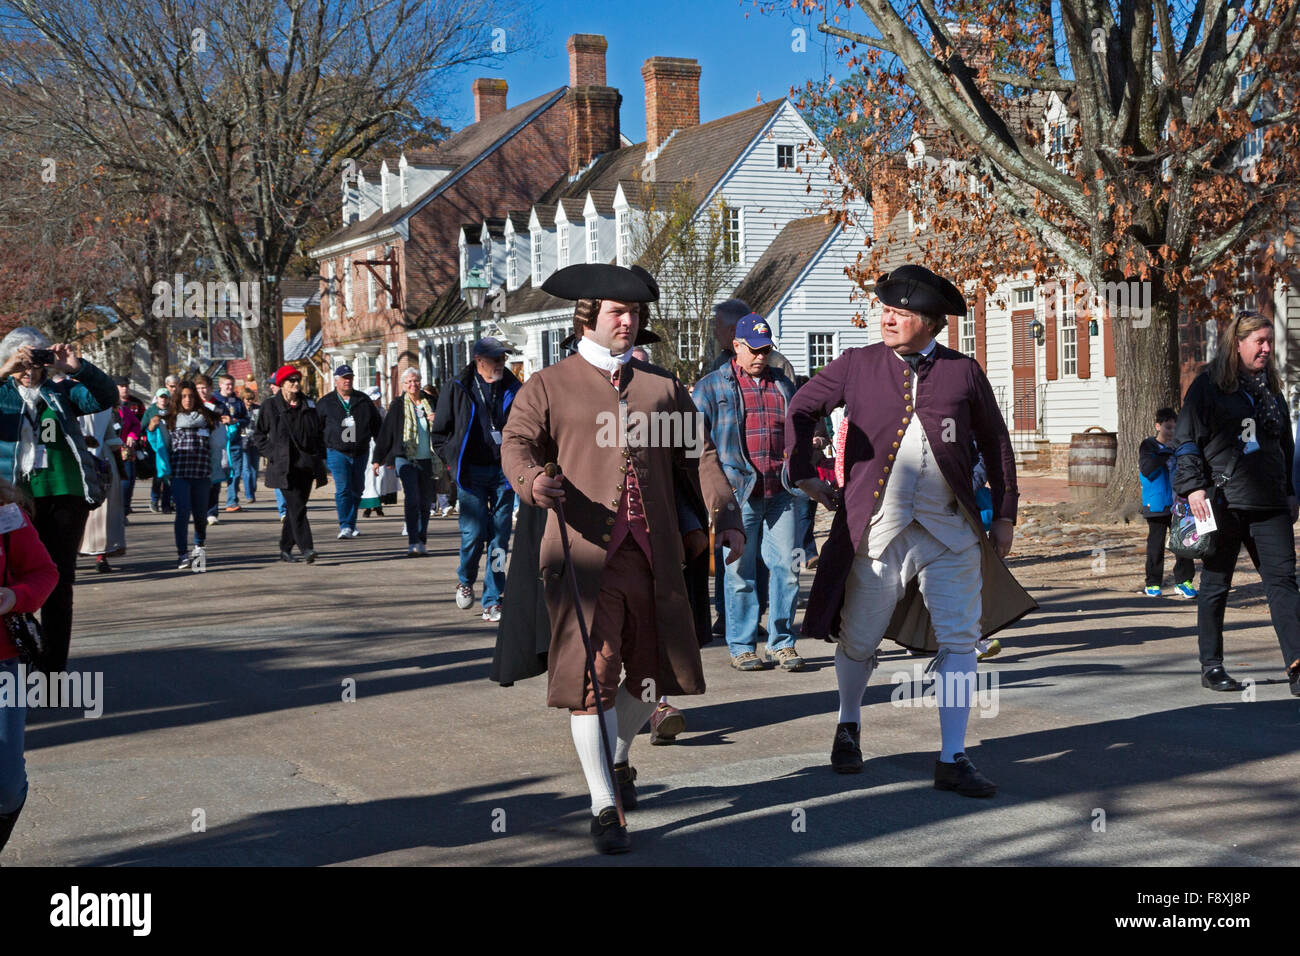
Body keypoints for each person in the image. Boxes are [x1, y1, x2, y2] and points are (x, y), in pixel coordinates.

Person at [496, 263, 744, 854]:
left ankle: (619, 757)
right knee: (593, 677)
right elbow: (516, 443)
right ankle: (603, 806)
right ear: (589, 316)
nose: (628, 322)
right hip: (582, 554)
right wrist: (532, 481)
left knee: (653, 674)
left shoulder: (661, 387)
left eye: (635, 314)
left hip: (652, 554)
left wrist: (726, 517)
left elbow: (700, 456)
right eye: (617, 312)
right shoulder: (550, 384)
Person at [786, 264, 1035, 795]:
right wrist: (805, 473)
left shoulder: (963, 372)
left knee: (961, 638)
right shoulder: (856, 365)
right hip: (879, 530)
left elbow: (996, 443)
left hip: (952, 531)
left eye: (902, 312)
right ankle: (848, 724)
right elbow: (802, 407)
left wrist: (1006, 513)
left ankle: (952, 755)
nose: (889, 318)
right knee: (858, 636)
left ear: (931, 322)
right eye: (886, 310)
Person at [1174, 311, 1300, 695]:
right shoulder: (1207, 387)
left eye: (1269, 341)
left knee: (1283, 584)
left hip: (1270, 503)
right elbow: (1187, 440)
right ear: (1237, 343)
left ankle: (1297, 665)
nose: (1266, 348)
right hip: (1222, 501)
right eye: (1259, 341)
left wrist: (1292, 490)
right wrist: (1194, 487)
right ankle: (1211, 665)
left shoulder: (1270, 387)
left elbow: (1284, 443)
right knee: (1216, 584)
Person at [693, 313, 805, 672]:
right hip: (738, 494)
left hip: (781, 491)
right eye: (754, 349)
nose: (761, 356)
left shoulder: (783, 385)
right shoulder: (710, 387)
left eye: (766, 349)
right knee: (740, 573)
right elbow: (696, 443)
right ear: (736, 346)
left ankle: (782, 643)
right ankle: (741, 645)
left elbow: (798, 430)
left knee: (787, 568)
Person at [0, 328, 116, 673]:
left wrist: (77, 367)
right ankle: (18, 658)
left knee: (58, 582)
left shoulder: (61, 390)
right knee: (11, 579)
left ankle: (51, 671)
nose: (28, 367)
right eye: (23, 358)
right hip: (14, 499)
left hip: (64, 494)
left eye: (35, 358)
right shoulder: (3, 394)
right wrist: (5, 369)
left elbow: (105, 397)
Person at [432, 338, 523, 622]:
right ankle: (465, 579)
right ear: (479, 360)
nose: (501, 364)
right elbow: (440, 433)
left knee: (498, 539)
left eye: (503, 359)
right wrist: (451, 459)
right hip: (470, 474)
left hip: (503, 474)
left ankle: (493, 599)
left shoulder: (514, 388)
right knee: (473, 534)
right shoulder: (457, 387)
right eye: (496, 359)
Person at [0, 478, 60, 856]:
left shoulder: (6, 515)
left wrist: (15, 596)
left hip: (2, 663)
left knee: (5, 786)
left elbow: (45, 573)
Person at [254, 366, 326, 563]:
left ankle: (285, 548)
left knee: (297, 507)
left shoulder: (308, 404)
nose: (295, 383)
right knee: (297, 507)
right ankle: (307, 548)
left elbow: (318, 432)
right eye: (291, 380)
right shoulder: (270, 406)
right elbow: (259, 435)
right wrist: (272, 453)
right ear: (281, 384)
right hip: (284, 467)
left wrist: (320, 455)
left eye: (297, 380)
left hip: (306, 464)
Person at [373, 368, 437, 557]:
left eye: (416, 381)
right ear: (403, 385)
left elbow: (448, 424)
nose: (413, 385)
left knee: (426, 502)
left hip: (428, 458)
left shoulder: (431, 402)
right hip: (405, 458)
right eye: (408, 382)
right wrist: (378, 459)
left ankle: (422, 539)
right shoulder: (398, 405)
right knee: (412, 498)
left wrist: (438, 419)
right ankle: (412, 542)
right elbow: (387, 432)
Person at [316, 364, 382, 539]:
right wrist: (320, 454)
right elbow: (316, 429)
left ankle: (351, 524)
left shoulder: (363, 401)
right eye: (344, 378)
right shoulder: (326, 402)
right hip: (337, 451)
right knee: (343, 488)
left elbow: (377, 428)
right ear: (336, 381)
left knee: (357, 489)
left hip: (360, 451)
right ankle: (345, 525)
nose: (348, 381)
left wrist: (379, 456)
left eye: (350, 378)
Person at [156, 381, 216, 569]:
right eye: (183, 396)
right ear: (178, 398)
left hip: (202, 474)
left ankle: (199, 553)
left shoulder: (208, 419)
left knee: (200, 516)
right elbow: (162, 446)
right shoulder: (170, 420)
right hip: (180, 474)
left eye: (191, 396)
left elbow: (217, 445)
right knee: (182, 513)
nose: (187, 399)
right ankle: (182, 554)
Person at [1140, 408, 1197, 598]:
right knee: (1156, 545)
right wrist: (1165, 454)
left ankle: (1183, 581)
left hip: (1179, 503)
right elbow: (1147, 469)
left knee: (1184, 543)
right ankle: (1153, 582)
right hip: (1156, 504)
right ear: (1158, 426)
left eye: (1174, 427)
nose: (1171, 431)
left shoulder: (1181, 447)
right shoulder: (1149, 446)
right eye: (1167, 427)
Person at [78, 403, 127, 573]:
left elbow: (109, 434)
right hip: (74, 458)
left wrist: (117, 454)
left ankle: (102, 555)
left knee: (104, 511)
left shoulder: (104, 407)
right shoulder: (65, 398)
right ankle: (70, 552)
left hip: (102, 461)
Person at [360, 386, 398, 517]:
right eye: (375, 399)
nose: (378, 401)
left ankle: (378, 503)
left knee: (382, 476)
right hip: (369, 445)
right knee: (369, 476)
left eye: (378, 399)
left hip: (381, 445)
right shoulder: (365, 412)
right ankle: (370, 505)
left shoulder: (383, 411)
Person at [215, 374, 249, 513]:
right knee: (217, 472)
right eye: (226, 384)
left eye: (231, 384)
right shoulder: (215, 400)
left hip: (235, 441)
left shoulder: (238, 402)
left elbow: (246, 419)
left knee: (235, 472)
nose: (229, 387)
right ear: (220, 385)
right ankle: (211, 503)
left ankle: (232, 501)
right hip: (219, 443)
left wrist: (235, 421)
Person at [145, 376, 178, 512]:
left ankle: (167, 504)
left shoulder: (173, 410)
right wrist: (151, 425)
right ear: (157, 398)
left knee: (169, 477)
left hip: (170, 446)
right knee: (159, 476)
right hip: (156, 449)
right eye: (161, 397)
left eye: (166, 397)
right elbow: (143, 427)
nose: (163, 399)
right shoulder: (152, 410)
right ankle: (154, 500)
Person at [239, 387, 261, 503]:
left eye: (251, 399)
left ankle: (252, 488)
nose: (249, 401)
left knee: (255, 469)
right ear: (242, 399)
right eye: (247, 399)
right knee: (246, 469)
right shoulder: (239, 410)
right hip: (242, 441)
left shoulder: (258, 409)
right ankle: (249, 495)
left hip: (255, 441)